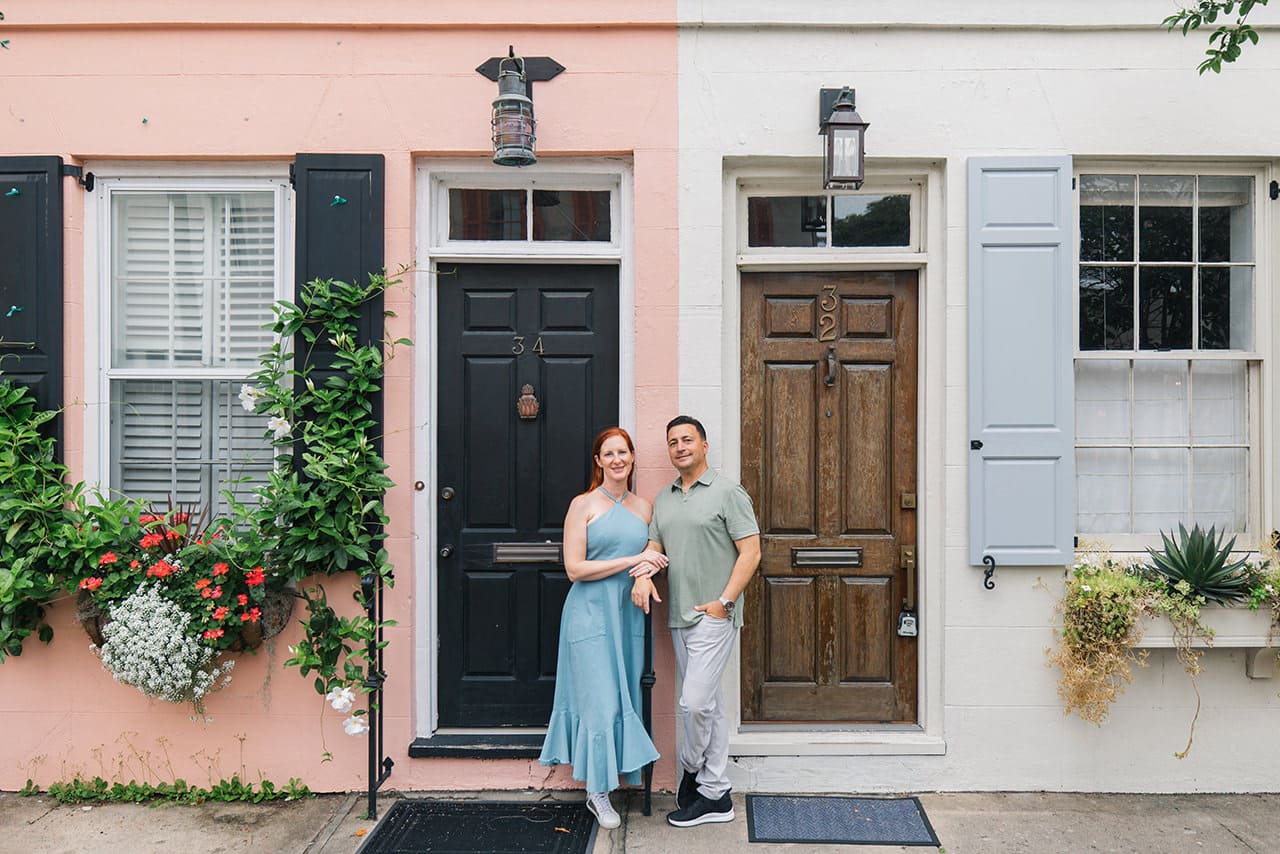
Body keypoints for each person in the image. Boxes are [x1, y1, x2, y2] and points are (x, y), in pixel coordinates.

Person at [630, 415, 760, 828]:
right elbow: (655, 546)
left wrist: (725, 601)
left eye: (687, 439)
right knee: (713, 707)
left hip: (714, 614)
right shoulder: (665, 499)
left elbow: (751, 551)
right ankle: (717, 792)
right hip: (678, 616)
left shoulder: (727, 493)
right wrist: (644, 575)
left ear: (705, 445)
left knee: (695, 702)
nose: (680, 446)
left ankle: (691, 771)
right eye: (672, 442)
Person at [540, 427, 667, 830]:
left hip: (629, 612)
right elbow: (575, 569)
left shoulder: (645, 507)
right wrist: (634, 558)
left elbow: (656, 555)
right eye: (608, 453)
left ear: (632, 458)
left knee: (623, 693)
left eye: (623, 452)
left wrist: (645, 572)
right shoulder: (583, 505)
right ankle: (597, 792)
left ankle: (622, 776)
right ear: (598, 461)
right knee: (598, 699)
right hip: (590, 613)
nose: (616, 460)